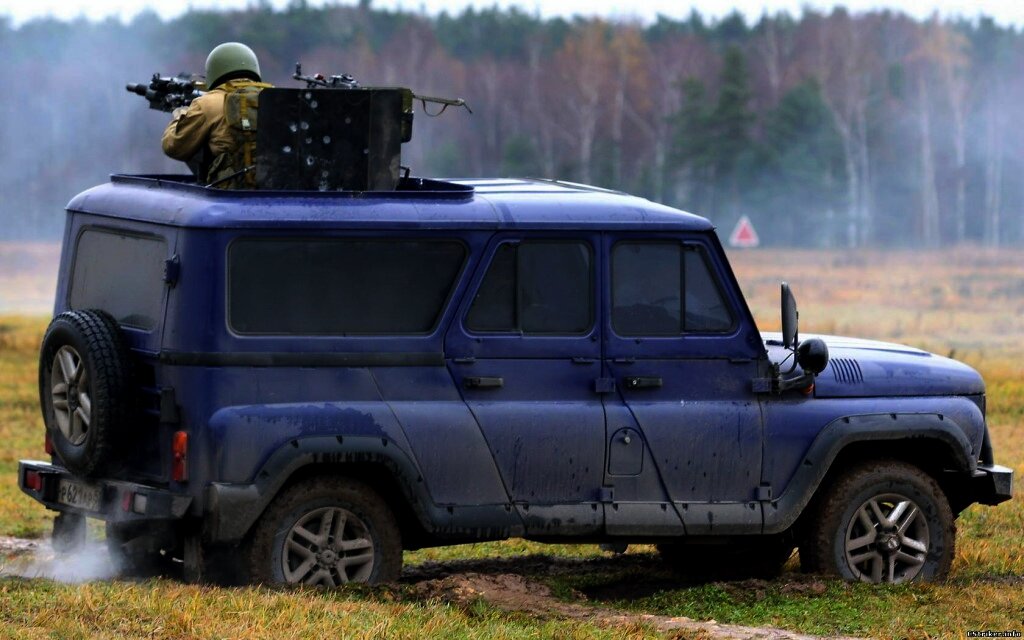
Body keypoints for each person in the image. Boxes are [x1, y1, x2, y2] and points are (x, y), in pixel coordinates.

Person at [162, 42, 273, 189]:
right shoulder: (275, 97)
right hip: (277, 192)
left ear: (214, 70)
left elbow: (174, 146)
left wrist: (180, 114)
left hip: (228, 197)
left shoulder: (207, 103)